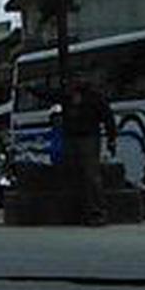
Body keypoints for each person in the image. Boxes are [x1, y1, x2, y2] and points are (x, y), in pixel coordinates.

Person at [58, 80, 117, 226]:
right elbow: (49, 95)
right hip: (72, 137)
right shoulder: (67, 97)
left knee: (91, 176)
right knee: (76, 175)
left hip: (88, 138)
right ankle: (81, 212)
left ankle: (97, 212)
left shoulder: (94, 97)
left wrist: (111, 138)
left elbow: (108, 118)